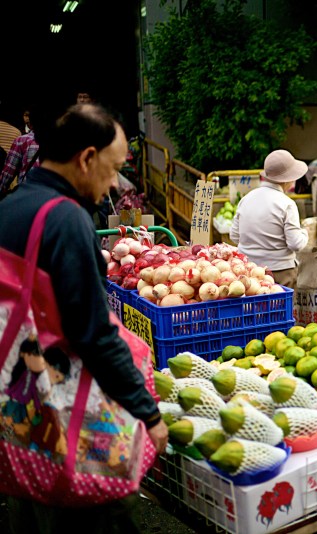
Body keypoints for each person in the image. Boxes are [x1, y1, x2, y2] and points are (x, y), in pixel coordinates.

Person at [0, 102, 168, 533]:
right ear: (87, 158)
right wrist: (149, 414)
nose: (113, 183)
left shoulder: (12, 206)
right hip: (65, 414)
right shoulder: (67, 220)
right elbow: (92, 334)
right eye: (111, 169)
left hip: (20, 413)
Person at [230, 149, 309, 289]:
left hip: (248, 272)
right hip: (281, 273)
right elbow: (295, 244)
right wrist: (305, 233)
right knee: (281, 310)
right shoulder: (287, 204)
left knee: (253, 310)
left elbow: (235, 236)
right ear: (288, 179)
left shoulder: (246, 199)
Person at [0, 109, 40, 196]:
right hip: (51, 196)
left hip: (26, 192)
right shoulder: (58, 142)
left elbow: (8, 172)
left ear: (31, 123)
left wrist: (2, 189)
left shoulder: (22, 139)